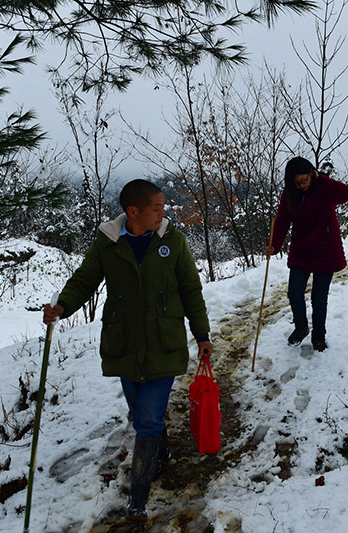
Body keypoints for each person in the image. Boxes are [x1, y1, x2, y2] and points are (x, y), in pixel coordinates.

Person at [42, 179, 212, 522]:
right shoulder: (109, 243)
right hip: (125, 344)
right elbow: (85, 279)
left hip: (163, 342)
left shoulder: (173, 241)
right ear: (133, 211)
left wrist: (202, 334)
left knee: (147, 420)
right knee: (141, 414)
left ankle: (138, 499)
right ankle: (159, 451)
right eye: (156, 208)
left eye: (163, 207)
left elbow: (190, 289)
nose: (163, 213)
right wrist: (62, 307)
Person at [267, 156, 348, 351]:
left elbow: (345, 194)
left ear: (311, 173)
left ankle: (319, 336)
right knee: (294, 292)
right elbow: (281, 220)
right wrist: (274, 244)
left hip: (325, 250)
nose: (302, 186)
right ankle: (301, 327)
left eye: (304, 180)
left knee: (319, 298)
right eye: (297, 183)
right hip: (301, 250)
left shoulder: (324, 188)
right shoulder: (290, 194)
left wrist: (320, 179)